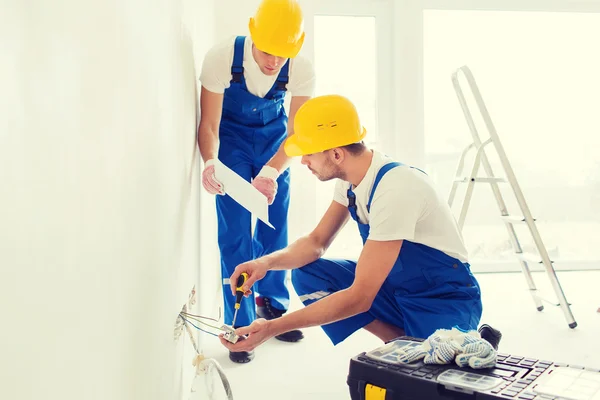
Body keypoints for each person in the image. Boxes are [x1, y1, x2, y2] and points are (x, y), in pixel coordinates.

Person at [219, 94, 488, 353]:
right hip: (396, 288)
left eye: (309, 153)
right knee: (308, 273)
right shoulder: (351, 181)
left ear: (336, 154)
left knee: (434, 374)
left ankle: (445, 339)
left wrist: (272, 328)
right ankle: (399, 340)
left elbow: (360, 298)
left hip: (441, 297)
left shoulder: (397, 189)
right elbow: (315, 243)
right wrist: (264, 263)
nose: (303, 161)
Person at [197, 0, 315, 364]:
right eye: (267, 51)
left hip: (275, 146)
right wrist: (211, 163)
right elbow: (209, 126)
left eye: (283, 55)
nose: (274, 62)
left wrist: (271, 172)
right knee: (234, 233)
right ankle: (239, 324)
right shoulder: (221, 59)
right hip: (229, 144)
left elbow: (297, 134)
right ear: (252, 33)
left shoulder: (301, 68)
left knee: (274, 226)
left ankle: (273, 306)